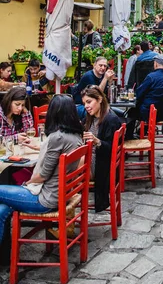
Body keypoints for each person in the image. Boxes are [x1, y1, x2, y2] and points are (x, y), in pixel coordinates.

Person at [0, 95, 83, 243]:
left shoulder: (57, 137)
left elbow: (43, 175)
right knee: (3, 208)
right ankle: (5, 253)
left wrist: (27, 183)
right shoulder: (76, 135)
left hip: (45, 199)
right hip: (60, 195)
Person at [81, 85, 121, 212]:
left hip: (101, 165)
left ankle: (64, 208)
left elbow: (111, 150)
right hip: (93, 159)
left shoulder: (111, 120)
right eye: (84, 103)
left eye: (89, 102)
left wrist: (97, 141)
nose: (86, 106)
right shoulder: (91, 117)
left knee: (64, 170)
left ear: (99, 99)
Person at [136, 54, 163, 122]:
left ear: (156, 64)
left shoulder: (151, 77)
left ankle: (133, 132)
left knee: (132, 112)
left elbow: (139, 93)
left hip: (149, 112)